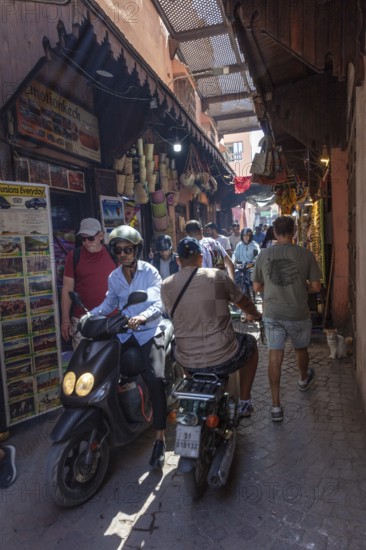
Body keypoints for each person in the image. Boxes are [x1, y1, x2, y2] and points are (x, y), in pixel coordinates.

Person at [90, 225, 168, 469]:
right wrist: (87, 317)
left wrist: (143, 317)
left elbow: (158, 302)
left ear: (137, 250)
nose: (123, 254)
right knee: (107, 373)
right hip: (124, 335)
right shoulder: (114, 277)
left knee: (155, 379)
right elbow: (108, 303)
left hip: (147, 332)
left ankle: (159, 439)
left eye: (128, 249)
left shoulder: (150, 272)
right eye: (119, 250)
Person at [161, 237, 262, 417]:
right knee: (250, 343)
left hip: (188, 360)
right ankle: (245, 402)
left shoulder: (166, 285)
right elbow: (243, 302)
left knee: (178, 343)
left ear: (178, 260)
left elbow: (172, 313)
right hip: (223, 356)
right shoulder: (217, 276)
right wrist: (255, 314)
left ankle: (193, 383)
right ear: (201, 258)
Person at [252, 215, 322, 422]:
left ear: (275, 233)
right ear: (294, 232)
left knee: (275, 355)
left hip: (273, 313)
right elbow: (316, 287)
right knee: (301, 349)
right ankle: (302, 379)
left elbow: (256, 287)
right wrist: (300, 287)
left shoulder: (264, 255)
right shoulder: (305, 254)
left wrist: (274, 289)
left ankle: (275, 406)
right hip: (297, 312)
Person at [61, 218, 116, 350]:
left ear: (101, 236)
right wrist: (65, 320)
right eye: (83, 239)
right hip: (82, 320)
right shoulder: (74, 256)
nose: (86, 242)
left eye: (90, 238)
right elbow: (67, 288)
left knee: (107, 364)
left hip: (109, 320)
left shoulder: (113, 254)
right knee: (82, 366)